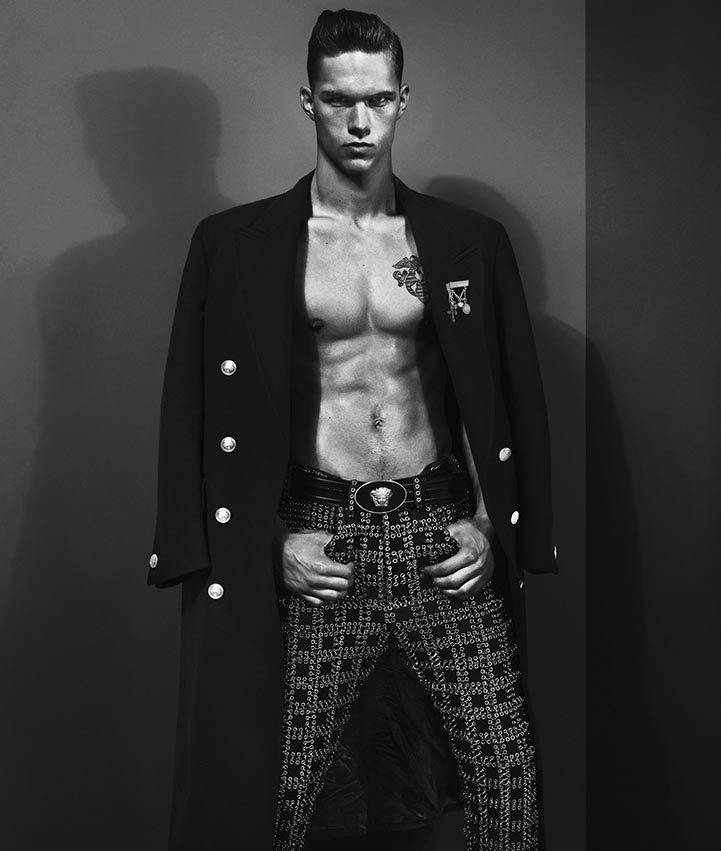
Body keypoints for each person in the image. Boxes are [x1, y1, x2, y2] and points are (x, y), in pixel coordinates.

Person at [148, 9, 557, 851]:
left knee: (505, 773)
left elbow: (498, 397)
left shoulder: (465, 241)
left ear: (403, 99)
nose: (360, 122)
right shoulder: (237, 245)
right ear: (309, 102)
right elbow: (192, 410)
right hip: (319, 541)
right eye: (340, 101)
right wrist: (269, 538)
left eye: (376, 100)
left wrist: (487, 521)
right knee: (273, 787)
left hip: (437, 535)